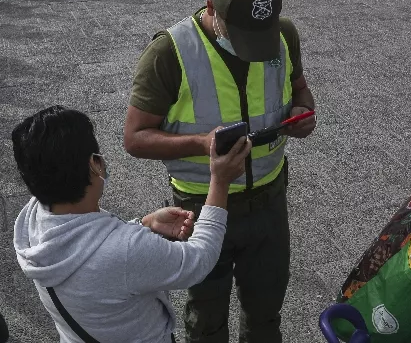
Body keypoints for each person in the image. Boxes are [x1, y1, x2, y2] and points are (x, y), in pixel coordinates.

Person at [123, 0, 317, 343]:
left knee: (265, 315)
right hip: (202, 208)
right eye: (241, 33)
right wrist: (200, 143)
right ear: (211, 8)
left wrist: (302, 113)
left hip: (269, 200)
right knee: (206, 321)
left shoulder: (283, 34)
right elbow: (134, 137)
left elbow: (301, 91)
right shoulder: (170, 51)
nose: (251, 48)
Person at [13, 106, 251, 342]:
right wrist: (220, 181)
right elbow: (199, 259)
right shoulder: (128, 251)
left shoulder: (32, 220)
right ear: (95, 164)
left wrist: (144, 224)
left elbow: (89, 247)